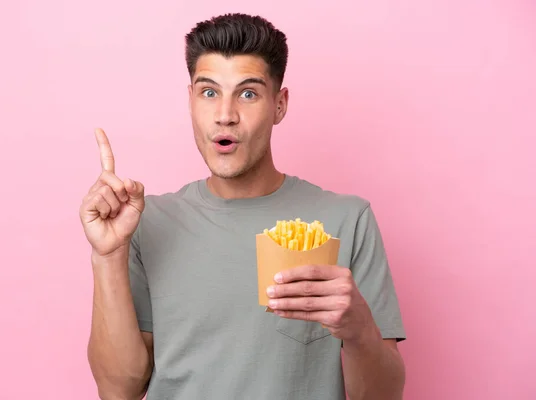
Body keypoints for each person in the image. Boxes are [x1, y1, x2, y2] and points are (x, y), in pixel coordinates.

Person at [79, 12, 406, 400]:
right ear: (190, 101)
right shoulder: (145, 223)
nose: (225, 115)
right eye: (209, 92)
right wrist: (108, 255)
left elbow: (384, 396)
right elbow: (119, 391)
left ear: (279, 105)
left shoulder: (348, 219)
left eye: (248, 93)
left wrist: (359, 329)